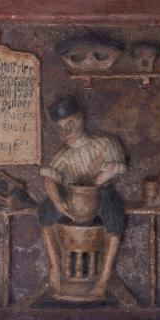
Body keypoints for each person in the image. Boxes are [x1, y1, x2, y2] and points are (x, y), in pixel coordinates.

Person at [38, 94, 127, 298]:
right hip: (72, 194)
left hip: (102, 191)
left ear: (82, 119)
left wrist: (100, 179)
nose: (67, 130)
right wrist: (57, 201)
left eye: (70, 123)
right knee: (45, 215)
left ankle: (103, 279)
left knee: (115, 222)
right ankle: (55, 269)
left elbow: (119, 167)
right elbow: (49, 178)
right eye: (61, 127)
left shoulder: (105, 142)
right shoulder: (62, 155)